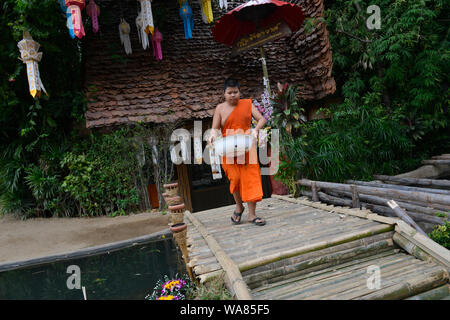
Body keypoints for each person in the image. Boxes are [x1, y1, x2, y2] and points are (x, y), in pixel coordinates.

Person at [208, 77, 267, 226]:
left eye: (235, 92)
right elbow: (215, 129)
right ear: (224, 94)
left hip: (247, 146)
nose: (233, 95)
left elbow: (262, 119)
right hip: (227, 149)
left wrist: (255, 131)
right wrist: (213, 136)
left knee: (251, 178)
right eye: (229, 92)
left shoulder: (247, 104)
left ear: (239, 92)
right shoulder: (220, 109)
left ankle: (252, 215)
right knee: (235, 178)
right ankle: (239, 206)